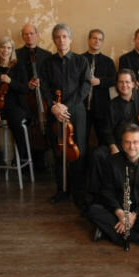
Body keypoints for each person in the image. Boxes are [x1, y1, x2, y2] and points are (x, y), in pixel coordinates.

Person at [88, 123, 139, 249]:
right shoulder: (111, 161)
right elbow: (107, 192)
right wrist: (120, 213)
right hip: (119, 207)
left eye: (135, 142)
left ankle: (108, 231)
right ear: (122, 144)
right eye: (127, 142)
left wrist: (134, 215)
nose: (131, 147)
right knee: (93, 210)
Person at [40, 23, 91, 207]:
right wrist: (54, 106)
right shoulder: (47, 62)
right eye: (58, 37)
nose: (61, 40)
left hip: (75, 110)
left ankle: (78, 191)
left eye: (64, 36)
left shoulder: (81, 61)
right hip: (55, 111)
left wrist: (66, 106)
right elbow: (44, 86)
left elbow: (85, 86)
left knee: (79, 151)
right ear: (54, 40)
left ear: (70, 39)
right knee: (58, 150)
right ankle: (61, 190)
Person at [87, 68, 139, 195]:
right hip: (119, 143)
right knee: (97, 155)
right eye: (121, 82)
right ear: (116, 84)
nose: (124, 85)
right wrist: (113, 147)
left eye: (127, 82)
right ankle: (95, 196)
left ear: (133, 84)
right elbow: (107, 130)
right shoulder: (111, 104)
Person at [0, 36, 29, 166]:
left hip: (15, 106)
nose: (5, 50)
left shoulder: (19, 66)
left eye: (9, 48)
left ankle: (20, 156)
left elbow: (24, 88)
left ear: (12, 50)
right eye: (2, 47)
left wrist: (10, 81)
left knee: (17, 122)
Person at [15, 23, 53, 172]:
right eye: (25, 34)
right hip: (23, 97)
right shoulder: (16, 54)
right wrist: (27, 84)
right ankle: (24, 159)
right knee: (26, 126)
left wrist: (40, 82)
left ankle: (41, 160)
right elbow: (14, 77)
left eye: (31, 33)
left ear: (37, 35)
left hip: (42, 97)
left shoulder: (47, 55)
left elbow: (50, 76)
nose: (29, 36)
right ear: (22, 36)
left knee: (43, 126)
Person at [81, 29, 117, 147]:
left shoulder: (108, 61)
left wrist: (100, 81)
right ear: (89, 40)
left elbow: (114, 80)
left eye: (100, 39)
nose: (97, 41)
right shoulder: (79, 59)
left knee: (103, 140)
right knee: (81, 140)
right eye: (94, 38)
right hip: (82, 107)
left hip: (101, 108)